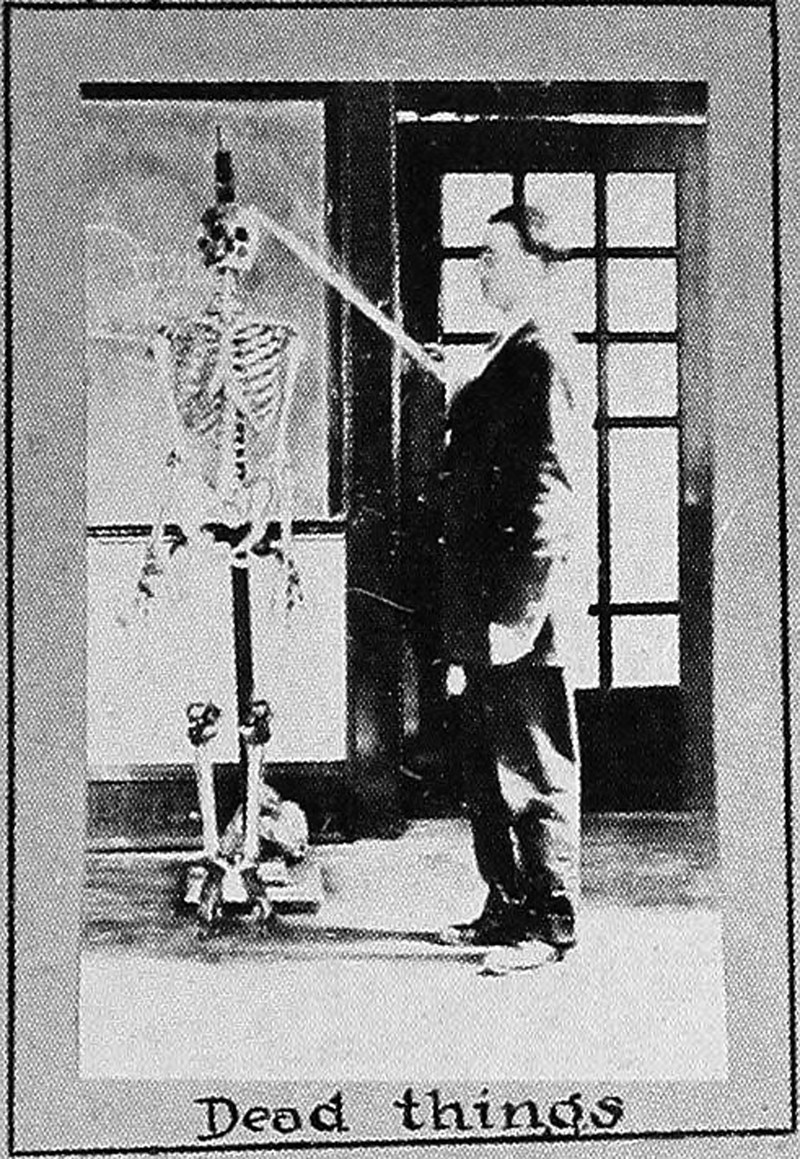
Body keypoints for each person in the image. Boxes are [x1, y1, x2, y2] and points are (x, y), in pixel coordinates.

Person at [438, 204, 588, 973]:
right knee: (486, 758)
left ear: (538, 265)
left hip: (522, 597)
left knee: (532, 760)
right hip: (485, 594)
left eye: (495, 254)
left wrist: (518, 611)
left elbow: (546, 490)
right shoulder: (508, 352)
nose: (481, 267)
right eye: (479, 254)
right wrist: (463, 389)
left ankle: (548, 923)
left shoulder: (543, 352)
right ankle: (505, 905)